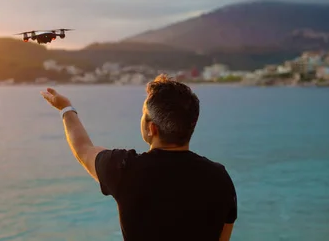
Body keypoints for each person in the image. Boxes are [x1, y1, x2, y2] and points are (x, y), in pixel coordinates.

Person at [40, 74, 237, 241]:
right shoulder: (220, 178)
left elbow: (83, 149)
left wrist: (66, 108)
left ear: (152, 128)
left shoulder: (124, 169)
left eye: (143, 114)